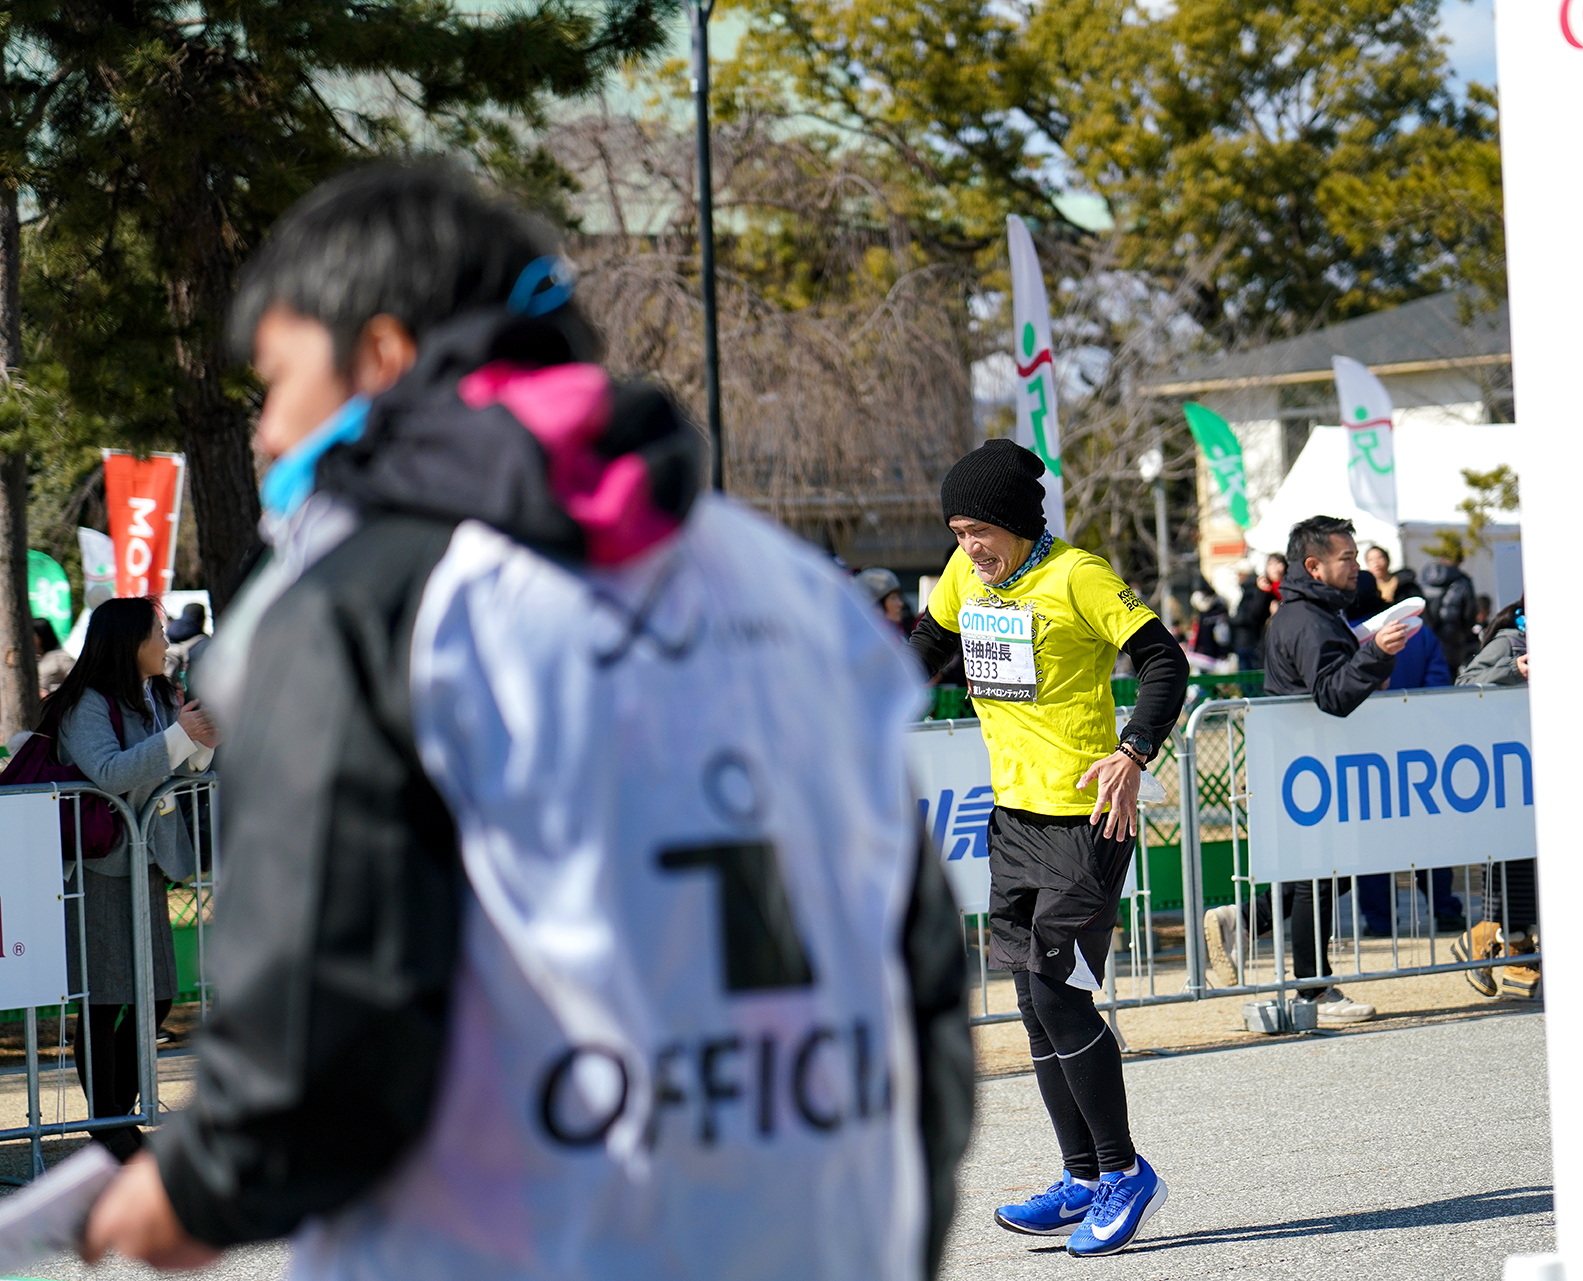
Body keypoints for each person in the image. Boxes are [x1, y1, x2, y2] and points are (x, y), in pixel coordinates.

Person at [82, 163, 973, 1280]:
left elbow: (322, 1024)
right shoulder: (786, 582)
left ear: (383, 356)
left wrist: (202, 1183)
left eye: (276, 377)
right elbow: (920, 981)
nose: (262, 431)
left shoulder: (371, 607)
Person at [908, 438, 1186, 1257]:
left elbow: (1164, 660)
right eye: (958, 533)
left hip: (1086, 816)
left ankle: (1124, 1171)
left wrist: (1134, 751)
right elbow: (924, 648)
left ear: (1018, 523)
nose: (969, 547)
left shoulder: (1078, 576)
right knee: (1030, 999)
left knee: (1060, 993)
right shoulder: (966, 576)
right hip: (1013, 818)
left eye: (980, 531)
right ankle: (1082, 1176)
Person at [1203, 517, 1413, 1024]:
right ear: (1314, 566)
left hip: (1308, 763)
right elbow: (1331, 694)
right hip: (1307, 765)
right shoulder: (1309, 619)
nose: (1357, 567)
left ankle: (1245, 922)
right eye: (1347, 558)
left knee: (1321, 874)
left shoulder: (1312, 613)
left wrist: (1369, 656)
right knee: (1317, 877)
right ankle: (1313, 992)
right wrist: (1376, 654)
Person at [36, 596, 217, 1158]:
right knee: (103, 999)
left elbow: (177, 764)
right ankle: (112, 1126)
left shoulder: (156, 694)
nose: (166, 642)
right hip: (100, 867)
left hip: (147, 862)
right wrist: (181, 736)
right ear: (129, 641)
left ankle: (120, 1115)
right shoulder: (85, 704)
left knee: (156, 996)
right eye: (157, 632)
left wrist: (200, 742)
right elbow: (110, 772)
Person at [1354, 586, 1463, 937]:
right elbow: (1437, 686)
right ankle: (1444, 907)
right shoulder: (1418, 632)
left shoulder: (1348, 636)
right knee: (1428, 833)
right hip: (1419, 750)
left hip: (1365, 752)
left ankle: (1380, 919)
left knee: (1373, 837)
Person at [1449, 596, 1537, 999]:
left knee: (1525, 865)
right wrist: (1514, 670)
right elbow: (1464, 685)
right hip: (1504, 771)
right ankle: (1492, 946)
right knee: (1509, 865)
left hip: (1532, 769)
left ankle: (1515, 955)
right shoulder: (1510, 642)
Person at [1419, 551, 1477, 673]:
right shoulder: (1463, 581)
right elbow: (1470, 614)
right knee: (1449, 678)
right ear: (1460, 561)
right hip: (1453, 640)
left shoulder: (1423, 578)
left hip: (1425, 640)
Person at [1228, 562, 1268, 673]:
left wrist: (1232, 620)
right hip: (1247, 641)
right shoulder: (1247, 591)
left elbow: (1249, 616)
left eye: (1239, 574)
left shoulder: (1250, 592)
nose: (1237, 577)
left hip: (1248, 642)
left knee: (1249, 676)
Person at [162, 603, 210, 693]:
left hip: (165, 692)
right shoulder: (205, 643)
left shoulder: (168, 633)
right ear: (203, 620)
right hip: (190, 694)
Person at [856, 565, 913, 636]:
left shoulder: (897, 634)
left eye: (899, 597)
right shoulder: (868, 638)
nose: (900, 604)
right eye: (893, 598)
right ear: (877, 606)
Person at [1188, 586, 1231, 671]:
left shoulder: (1218, 609)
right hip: (1203, 652)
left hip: (1215, 654)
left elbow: (1223, 635)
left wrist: (1223, 653)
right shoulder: (1202, 612)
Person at [34, 616, 74, 696]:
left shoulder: (61, 658)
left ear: (41, 636)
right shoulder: (32, 658)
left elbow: (77, 683)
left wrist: (52, 695)